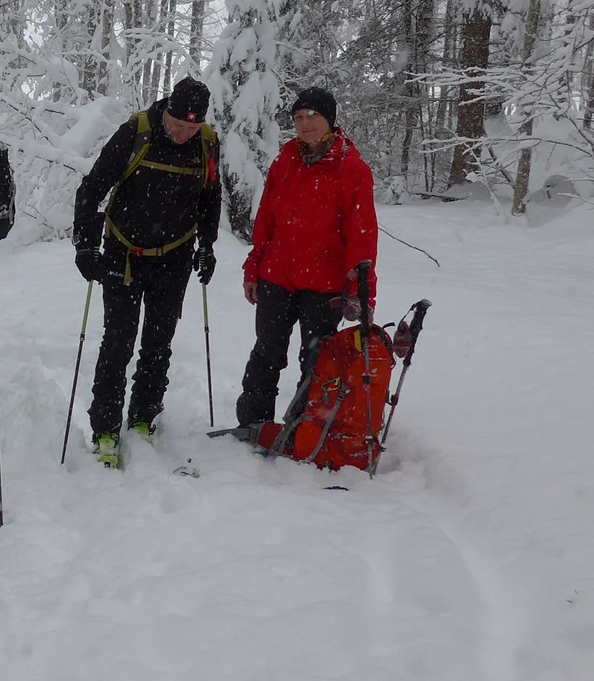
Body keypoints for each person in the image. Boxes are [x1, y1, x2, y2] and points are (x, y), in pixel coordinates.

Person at [72, 77, 222, 467]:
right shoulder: (136, 132)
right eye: (177, 124)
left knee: (158, 345)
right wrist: (85, 244)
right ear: (167, 110)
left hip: (174, 258)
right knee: (117, 343)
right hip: (123, 254)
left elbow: (210, 198)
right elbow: (92, 188)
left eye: (190, 128)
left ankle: (143, 418)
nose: (182, 133)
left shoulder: (207, 144)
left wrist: (207, 245)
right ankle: (105, 429)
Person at [234, 87, 378, 437]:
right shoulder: (284, 161)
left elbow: (362, 237)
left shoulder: (352, 169)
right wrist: (254, 266)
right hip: (277, 278)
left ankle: (305, 430)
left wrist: (361, 293)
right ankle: (253, 423)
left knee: (316, 362)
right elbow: (266, 222)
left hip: (324, 285)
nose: (304, 123)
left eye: (312, 115)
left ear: (330, 120)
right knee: (266, 352)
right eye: (298, 117)